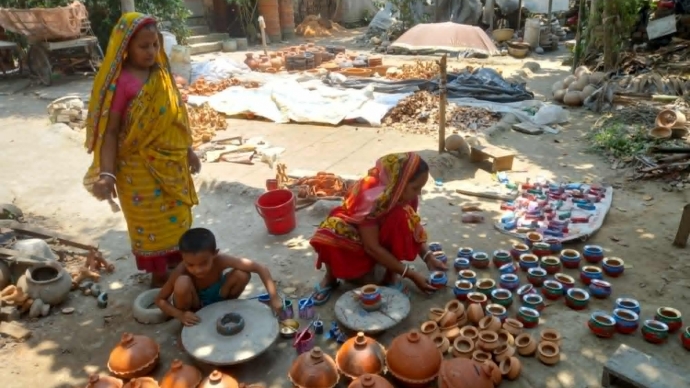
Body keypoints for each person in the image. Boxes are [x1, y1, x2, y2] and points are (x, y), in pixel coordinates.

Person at [82, 13, 201, 287]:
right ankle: (160, 282)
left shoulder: (162, 74)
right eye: (143, 46)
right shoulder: (121, 82)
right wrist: (107, 174)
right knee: (151, 228)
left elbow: (177, 118)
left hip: (171, 164)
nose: (151, 52)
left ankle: (181, 271)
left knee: (178, 220)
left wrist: (188, 150)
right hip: (137, 172)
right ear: (126, 47)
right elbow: (110, 132)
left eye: (155, 45)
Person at [309, 152, 448, 304]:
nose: (418, 194)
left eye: (421, 188)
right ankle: (331, 278)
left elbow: (411, 226)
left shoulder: (406, 196)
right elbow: (371, 247)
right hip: (359, 239)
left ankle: (390, 274)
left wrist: (428, 257)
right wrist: (411, 275)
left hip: (378, 240)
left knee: (401, 217)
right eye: (415, 188)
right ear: (399, 181)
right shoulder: (371, 196)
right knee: (331, 230)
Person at [155, 228, 283, 326]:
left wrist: (274, 298)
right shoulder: (180, 270)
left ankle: (226, 307)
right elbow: (160, 300)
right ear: (182, 257)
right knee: (182, 282)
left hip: (219, 296)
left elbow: (260, 268)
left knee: (242, 274)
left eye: (203, 263)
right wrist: (180, 315)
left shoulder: (221, 260)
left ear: (215, 254)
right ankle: (190, 321)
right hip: (195, 305)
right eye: (190, 265)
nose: (197, 270)